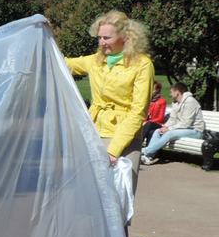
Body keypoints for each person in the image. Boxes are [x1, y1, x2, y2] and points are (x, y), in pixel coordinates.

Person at [64, 10, 155, 195]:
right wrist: (46, 36)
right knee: (93, 198)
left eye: (106, 38)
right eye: (99, 38)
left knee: (119, 199)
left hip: (125, 138)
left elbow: (138, 112)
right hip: (94, 133)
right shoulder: (95, 60)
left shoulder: (142, 64)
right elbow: (63, 63)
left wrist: (114, 150)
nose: (101, 42)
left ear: (125, 37)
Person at [140, 82, 205, 164]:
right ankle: (148, 157)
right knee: (158, 131)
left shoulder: (190, 101)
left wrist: (169, 129)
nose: (170, 94)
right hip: (182, 129)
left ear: (177, 92)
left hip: (195, 131)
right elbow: (172, 119)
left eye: (171, 92)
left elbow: (186, 123)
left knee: (169, 133)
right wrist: (165, 127)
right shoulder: (176, 103)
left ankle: (144, 151)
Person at [141, 81, 167, 146]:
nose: (150, 91)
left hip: (157, 124)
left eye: (153, 89)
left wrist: (148, 122)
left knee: (149, 124)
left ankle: (138, 144)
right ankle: (146, 150)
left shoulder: (162, 101)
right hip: (147, 125)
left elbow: (160, 118)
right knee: (151, 132)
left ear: (157, 90)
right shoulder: (147, 100)